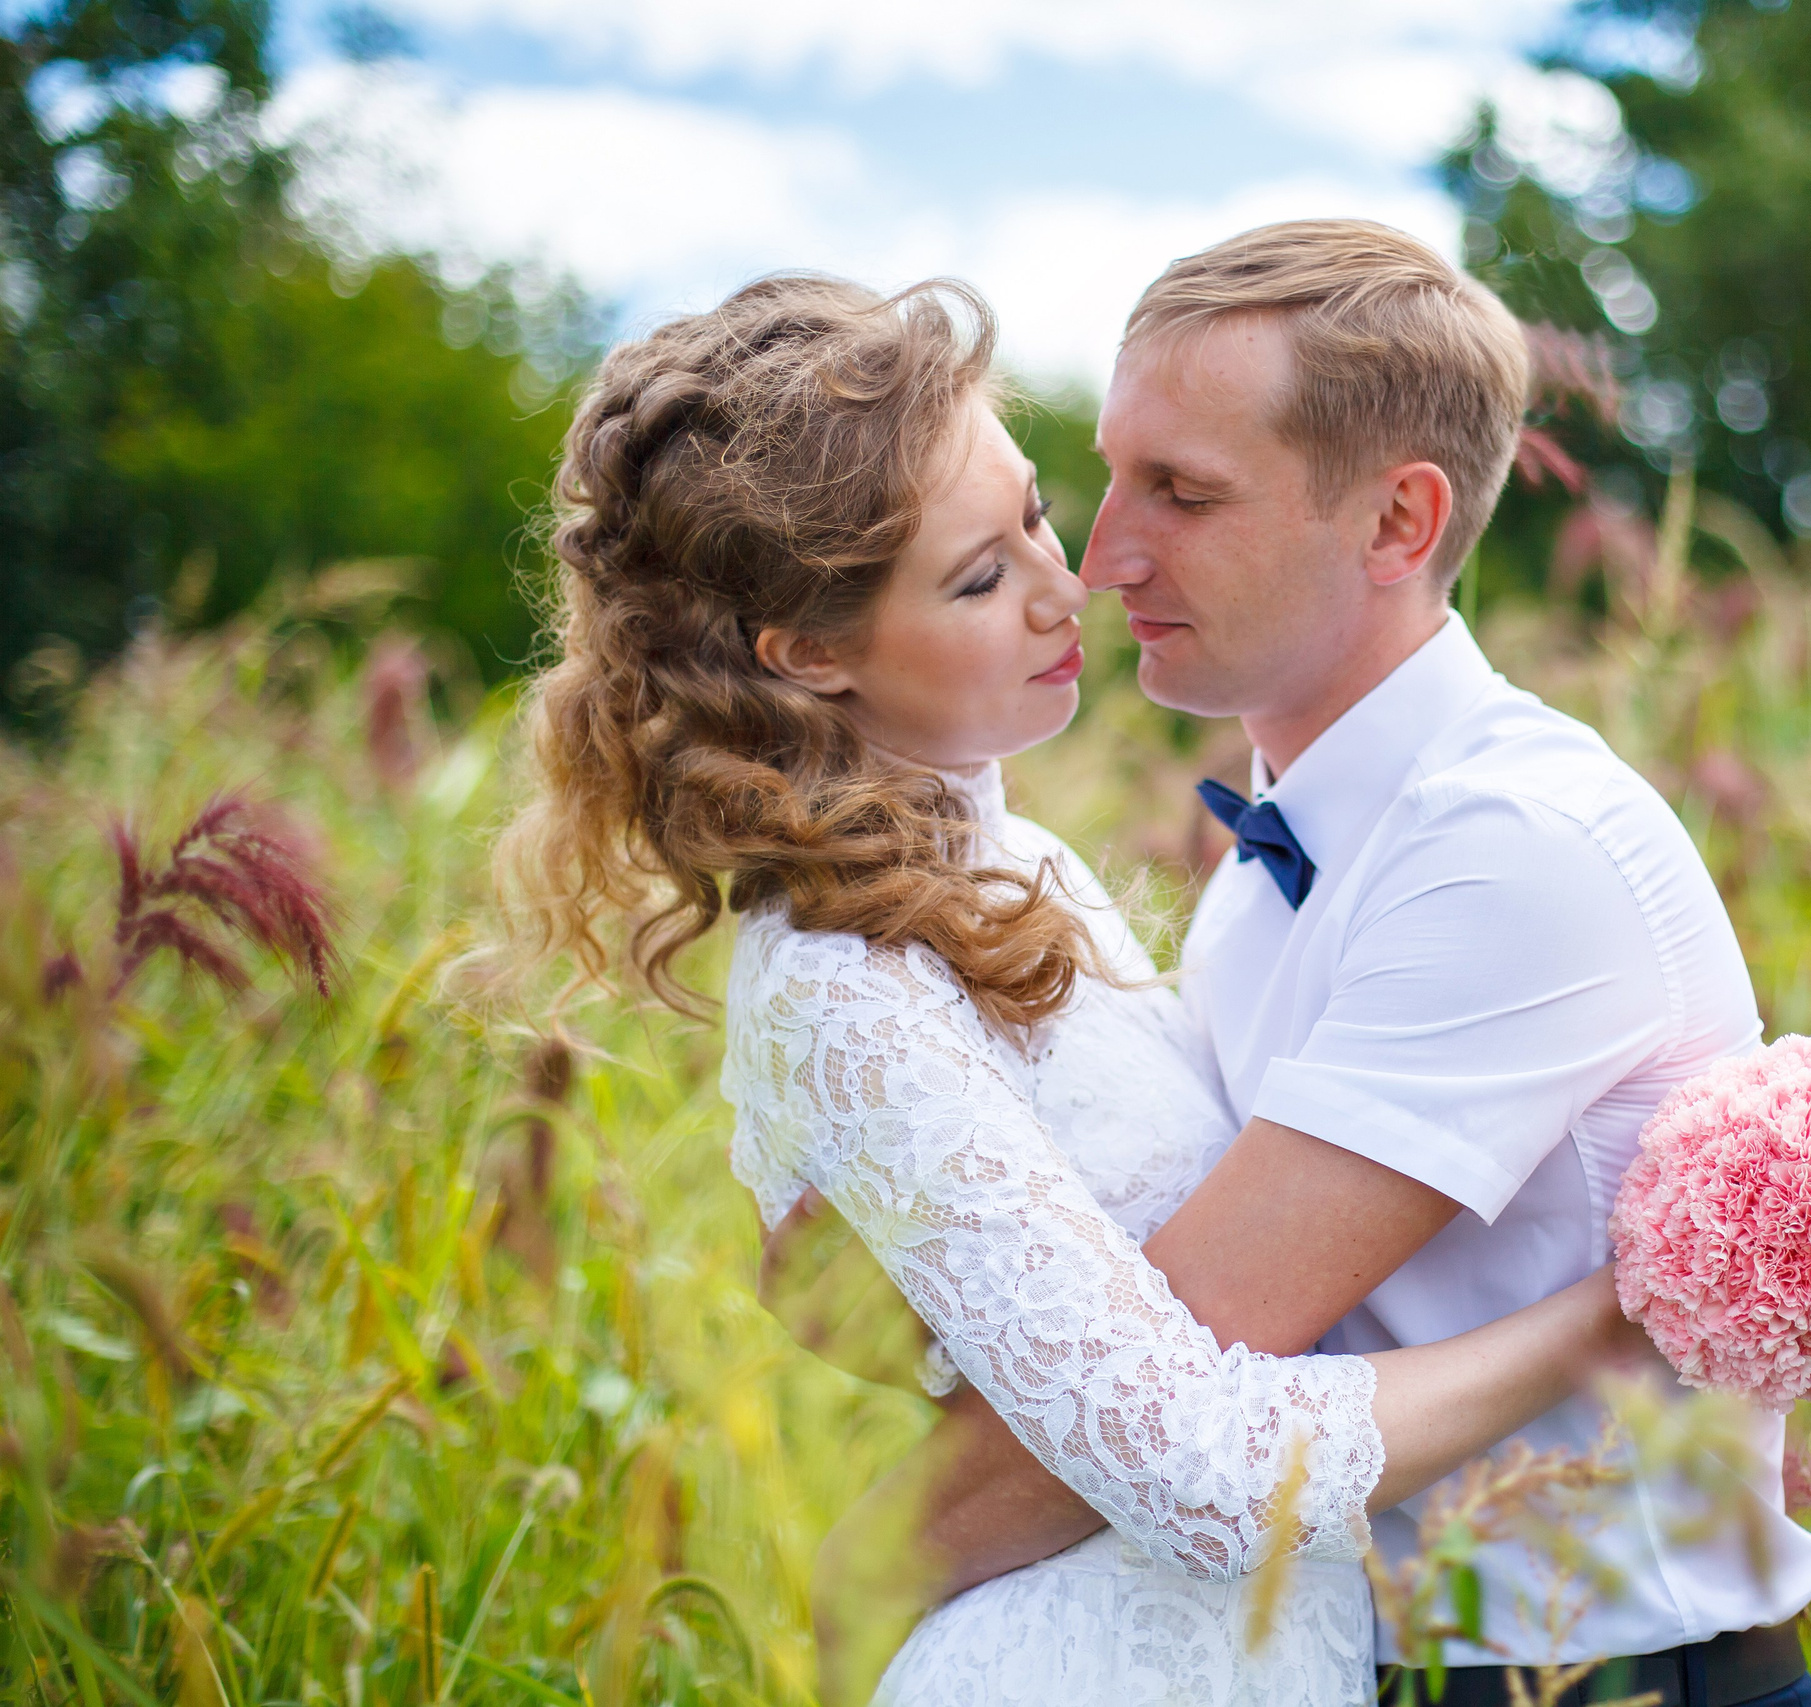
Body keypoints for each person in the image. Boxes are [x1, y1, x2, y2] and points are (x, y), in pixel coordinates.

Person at [497, 271, 1660, 1707]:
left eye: (1036, 513)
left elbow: (1124, 1293)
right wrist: (1615, 1317)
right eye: (981, 578)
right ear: (807, 653)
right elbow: (1204, 1469)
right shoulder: (841, 986)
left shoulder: (1017, 860)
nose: (1078, 580)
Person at [873, 222, 1811, 1706]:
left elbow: (1154, 1387)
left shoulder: (1508, 847)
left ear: (1398, 523)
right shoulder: (1287, 843)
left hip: (1594, 1676)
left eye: (1185, 494)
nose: (1108, 558)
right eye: (1110, 479)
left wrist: (834, 1586)